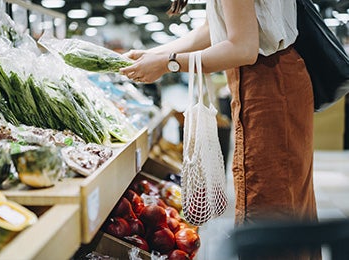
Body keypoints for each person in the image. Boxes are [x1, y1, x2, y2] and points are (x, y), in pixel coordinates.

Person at [120, 1, 320, 256]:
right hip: (272, 80)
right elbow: (211, 29)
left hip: (267, 84)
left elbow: (243, 48)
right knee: (289, 208)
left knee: (271, 213)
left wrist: (168, 63)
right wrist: (154, 55)